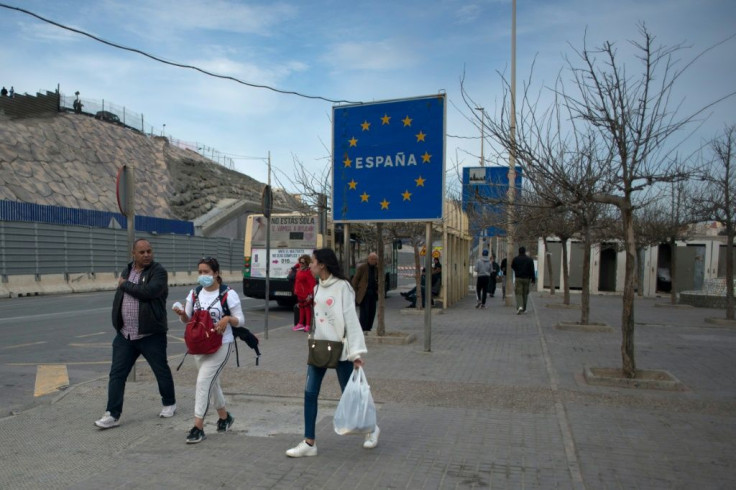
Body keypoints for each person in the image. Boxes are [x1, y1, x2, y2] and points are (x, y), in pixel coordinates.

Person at [286, 248, 379, 458]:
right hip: (319, 347)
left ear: (323, 265)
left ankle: (372, 429)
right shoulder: (318, 288)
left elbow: (351, 320)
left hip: (341, 348)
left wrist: (355, 353)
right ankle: (309, 443)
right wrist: (311, 337)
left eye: (313, 262)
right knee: (310, 393)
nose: (309, 265)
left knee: (350, 393)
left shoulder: (343, 287)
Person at [95, 238, 176, 429]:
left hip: (151, 334)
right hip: (125, 335)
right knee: (117, 374)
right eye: (142, 252)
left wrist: (124, 285)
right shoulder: (127, 271)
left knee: (160, 370)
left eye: (149, 251)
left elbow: (148, 291)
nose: (147, 255)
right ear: (134, 254)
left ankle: (169, 402)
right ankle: (112, 414)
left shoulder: (159, 272)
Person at [172, 257, 245, 444]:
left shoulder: (228, 294)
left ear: (216, 273)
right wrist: (182, 314)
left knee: (203, 382)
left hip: (221, 345)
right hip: (199, 346)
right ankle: (224, 417)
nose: (203, 275)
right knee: (211, 383)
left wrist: (227, 319)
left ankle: (198, 427)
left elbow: (241, 320)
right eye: (200, 272)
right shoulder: (195, 293)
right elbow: (187, 320)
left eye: (206, 272)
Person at [352, 252, 379, 332]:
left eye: (375, 259)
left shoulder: (377, 269)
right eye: (372, 259)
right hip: (364, 293)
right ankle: (363, 328)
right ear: (368, 259)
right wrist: (356, 292)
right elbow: (355, 280)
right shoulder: (362, 268)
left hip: (373, 293)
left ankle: (368, 327)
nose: (373, 261)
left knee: (372, 311)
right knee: (364, 312)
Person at [293, 254, 316, 332]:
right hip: (299, 292)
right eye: (300, 262)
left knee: (307, 309)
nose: (300, 264)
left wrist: (310, 294)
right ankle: (300, 323)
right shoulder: (299, 269)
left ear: (306, 263)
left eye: (302, 262)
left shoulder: (308, 272)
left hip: (306, 294)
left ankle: (308, 325)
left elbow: (312, 284)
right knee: (301, 308)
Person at [511, 246, 535, 314]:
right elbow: (532, 270)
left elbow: (512, 266)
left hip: (518, 278)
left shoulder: (515, 259)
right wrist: (533, 279)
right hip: (527, 279)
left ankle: (519, 306)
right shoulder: (530, 260)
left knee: (518, 293)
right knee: (525, 293)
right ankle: (524, 308)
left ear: (519, 251)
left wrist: (517, 271)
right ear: (524, 251)